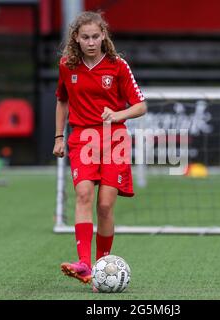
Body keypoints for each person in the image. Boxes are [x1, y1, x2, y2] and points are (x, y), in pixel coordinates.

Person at [52, 11, 147, 289]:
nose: (91, 42)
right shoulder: (67, 66)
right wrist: (59, 136)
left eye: (96, 36)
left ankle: (101, 266)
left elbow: (140, 106)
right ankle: (84, 265)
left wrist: (117, 115)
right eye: (85, 37)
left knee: (104, 206)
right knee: (83, 194)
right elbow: (61, 101)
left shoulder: (118, 66)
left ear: (103, 36)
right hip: (82, 138)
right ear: (76, 39)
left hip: (113, 139)